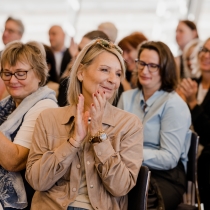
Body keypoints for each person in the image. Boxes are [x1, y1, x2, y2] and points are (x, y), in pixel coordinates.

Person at [25, 38, 143, 210]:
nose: (113, 80)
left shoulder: (129, 125)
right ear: (81, 72)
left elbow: (121, 187)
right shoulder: (48, 118)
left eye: (118, 73)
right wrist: (73, 142)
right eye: (104, 70)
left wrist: (98, 134)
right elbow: (37, 181)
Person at [118, 41, 192, 210]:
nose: (144, 71)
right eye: (142, 63)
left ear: (165, 69)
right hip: (128, 169)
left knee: (131, 200)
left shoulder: (173, 105)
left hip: (164, 176)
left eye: (153, 66)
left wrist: (131, 153)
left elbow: (169, 158)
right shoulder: (127, 98)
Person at [0, 41, 58, 209]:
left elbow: (14, 161)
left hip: (26, 200)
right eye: (7, 73)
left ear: (39, 75)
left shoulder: (45, 107)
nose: (12, 80)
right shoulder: (8, 105)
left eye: (21, 73)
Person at [179, 37, 210, 209]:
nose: (206, 55)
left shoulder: (191, 91)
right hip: (184, 151)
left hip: (205, 160)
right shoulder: (192, 84)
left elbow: (207, 133)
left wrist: (192, 103)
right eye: (204, 50)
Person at [57, 30, 109, 107]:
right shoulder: (70, 79)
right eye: (78, 49)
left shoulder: (108, 86)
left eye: (83, 50)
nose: (76, 54)